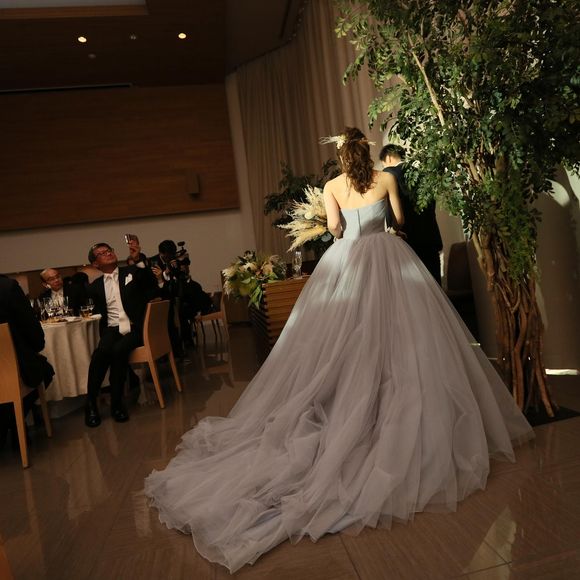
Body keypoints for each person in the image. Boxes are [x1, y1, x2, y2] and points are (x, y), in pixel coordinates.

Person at [145, 127, 533, 574]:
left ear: (340, 157)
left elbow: (334, 229)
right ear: (367, 151)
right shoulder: (386, 179)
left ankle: (352, 401)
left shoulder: (332, 186)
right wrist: (382, 223)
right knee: (404, 336)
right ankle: (394, 404)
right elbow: (399, 221)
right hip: (389, 257)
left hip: (347, 259)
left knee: (341, 340)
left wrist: (345, 224)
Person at [84, 243, 159, 428]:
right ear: (95, 264)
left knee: (118, 350)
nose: (108, 253)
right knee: (100, 353)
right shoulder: (95, 286)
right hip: (112, 328)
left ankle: (117, 404)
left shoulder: (132, 272)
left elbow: (151, 284)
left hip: (135, 327)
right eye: (101, 253)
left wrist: (138, 258)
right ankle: (91, 403)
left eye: (109, 250)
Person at [0, 275, 54, 447]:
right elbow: (33, 333)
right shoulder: (6, 287)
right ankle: (13, 422)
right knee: (45, 370)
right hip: (12, 369)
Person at [379, 144, 443, 284]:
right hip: (429, 239)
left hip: (406, 240)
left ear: (388, 158)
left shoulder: (388, 174)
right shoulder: (423, 174)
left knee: (413, 291)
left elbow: (390, 210)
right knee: (436, 290)